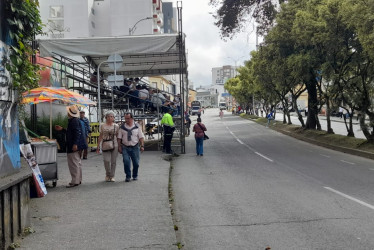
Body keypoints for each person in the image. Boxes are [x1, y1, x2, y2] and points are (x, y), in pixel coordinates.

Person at [56, 105, 87, 188]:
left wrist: (75, 144)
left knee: (74, 163)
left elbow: (76, 133)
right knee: (77, 162)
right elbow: (73, 132)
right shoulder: (75, 120)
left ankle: (75, 181)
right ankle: (78, 179)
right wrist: (62, 129)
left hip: (73, 145)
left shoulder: (73, 121)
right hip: (76, 144)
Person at [117, 112, 145, 182]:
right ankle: (128, 176)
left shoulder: (137, 127)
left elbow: (141, 137)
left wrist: (142, 145)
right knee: (126, 162)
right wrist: (119, 147)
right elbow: (119, 138)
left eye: (128, 118)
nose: (126, 120)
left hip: (135, 147)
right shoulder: (122, 127)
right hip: (125, 147)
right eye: (125, 118)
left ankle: (135, 175)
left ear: (132, 118)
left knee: (136, 163)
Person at [96, 111, 119, 182]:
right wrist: (98, 146)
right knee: (106, 160)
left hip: (114, 144)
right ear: (106, 117)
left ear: (114, 118)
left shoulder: (116, 126)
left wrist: (120, 145)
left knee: (113, 161)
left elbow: (118, 136)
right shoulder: (102, 125)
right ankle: (107, 174)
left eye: (112, 116)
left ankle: (112, 176)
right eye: (109, 116)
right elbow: (100, 136)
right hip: (105, 144)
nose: (110, 118)